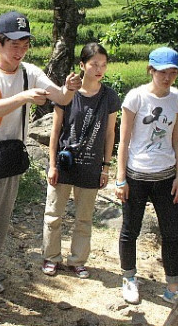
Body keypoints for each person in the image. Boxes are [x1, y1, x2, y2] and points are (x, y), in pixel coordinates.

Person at [0, 11, 82, 324]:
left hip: (11, 158)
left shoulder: (30, 71)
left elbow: (60, 97)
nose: (19, 48)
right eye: (13, 42)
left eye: (24, 42)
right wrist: (24, 96)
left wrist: (71, 87)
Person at [42, 42, 120, 278]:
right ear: (82, 65)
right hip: (64, 164)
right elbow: (55, 132)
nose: (99, 69)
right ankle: (51, 257)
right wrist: (52, 164)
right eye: (94, 64)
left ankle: (77, 260)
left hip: (91, 166)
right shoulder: (67, 95)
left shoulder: (109, 97)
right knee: (54, 214)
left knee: (84, 218)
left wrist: (106, 167)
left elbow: (110, 133)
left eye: (103, 65)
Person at [115, 47, 178, 305]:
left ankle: (173, 285)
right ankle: (129, 278)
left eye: (172, 73)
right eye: (161, 72)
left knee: (172, 232)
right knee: (130, 229)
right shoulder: (135, 97)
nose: (167, 78)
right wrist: (120, 178)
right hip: (136, 174)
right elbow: (123, 141)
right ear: (151, 70)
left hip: (166, 175)